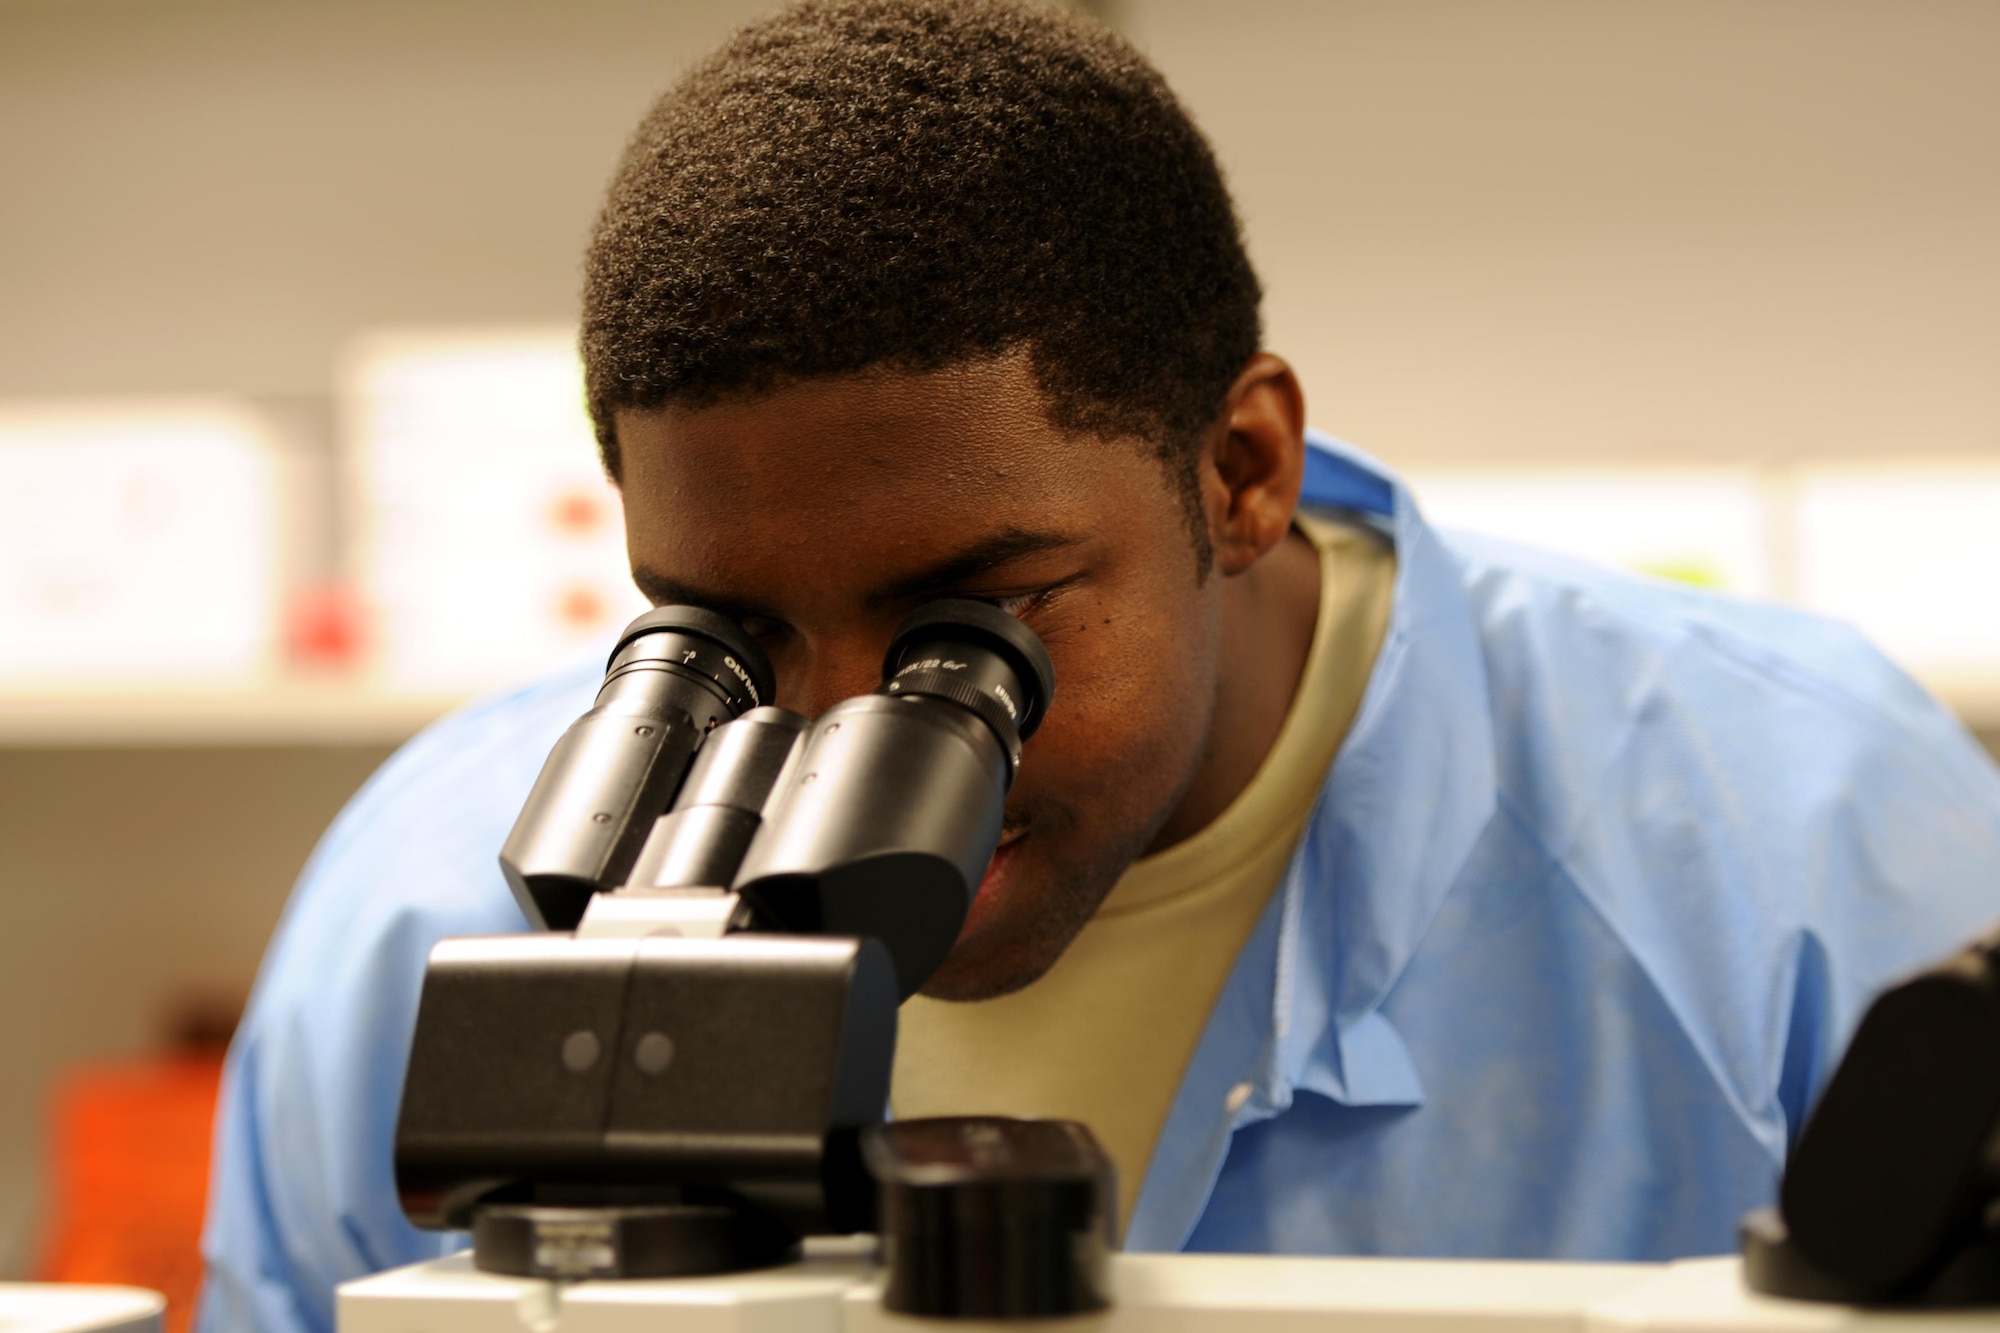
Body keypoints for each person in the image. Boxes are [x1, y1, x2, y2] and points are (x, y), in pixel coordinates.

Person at [197, 3, 2000, 1330]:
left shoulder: (1800, 843)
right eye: (727, 636)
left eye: (964, 630)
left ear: (1239, 472)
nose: (831, 740)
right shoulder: (427, 911)